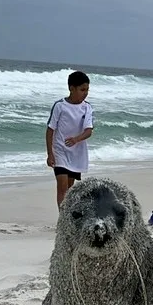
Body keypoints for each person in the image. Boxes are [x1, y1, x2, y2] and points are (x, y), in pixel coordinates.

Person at [46, 71, 94, 208]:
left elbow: (89, 131)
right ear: (71, 89)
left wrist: (76, 139)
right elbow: (50, 130)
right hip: (59, 151)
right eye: (82, 89)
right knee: (61, 187)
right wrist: (50, 153)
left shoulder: (87, 108)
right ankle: (62, 219)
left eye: (87, 90)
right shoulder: (60, 106)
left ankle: (68, 218)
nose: (85, 93)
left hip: (76, 154)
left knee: (70, 189)